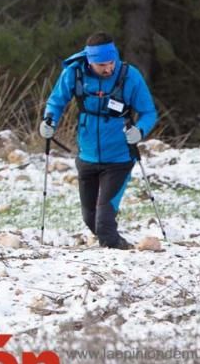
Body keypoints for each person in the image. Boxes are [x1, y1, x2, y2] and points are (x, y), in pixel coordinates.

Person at [39, 32, 157, 250]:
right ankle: (116, 245)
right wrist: (49, 122)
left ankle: (117, 257)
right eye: (102, 64)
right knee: (90, 219)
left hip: (119, 158)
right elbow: (55, 103)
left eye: (111, 62)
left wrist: (140, 131)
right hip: (87, 157)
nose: (108, 68)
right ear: (90, 61)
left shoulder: (130, 76)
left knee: (103, 223)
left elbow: (149, 112)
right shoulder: (74, 73)